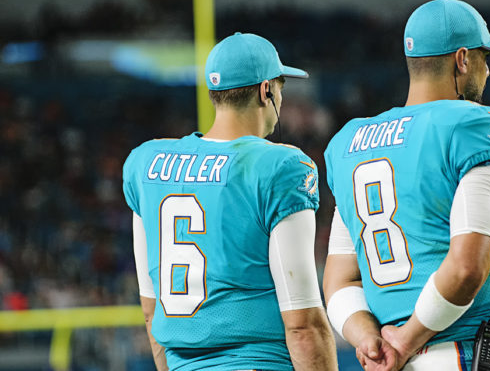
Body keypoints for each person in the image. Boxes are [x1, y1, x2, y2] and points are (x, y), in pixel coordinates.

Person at [323, 0, 490, 370]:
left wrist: (367, 339)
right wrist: (405, 340)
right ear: (462, 59)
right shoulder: (472, 125)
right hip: (461, 354)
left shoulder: (350, 143)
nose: (488, 72)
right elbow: (466, 268)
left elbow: (338, 279)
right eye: (484, 58)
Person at [123, 32, 337, 371]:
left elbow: (151, 312)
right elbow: (303, 324)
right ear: (266, 90)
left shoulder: (146, 163)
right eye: (280, 87)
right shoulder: (278, 166)